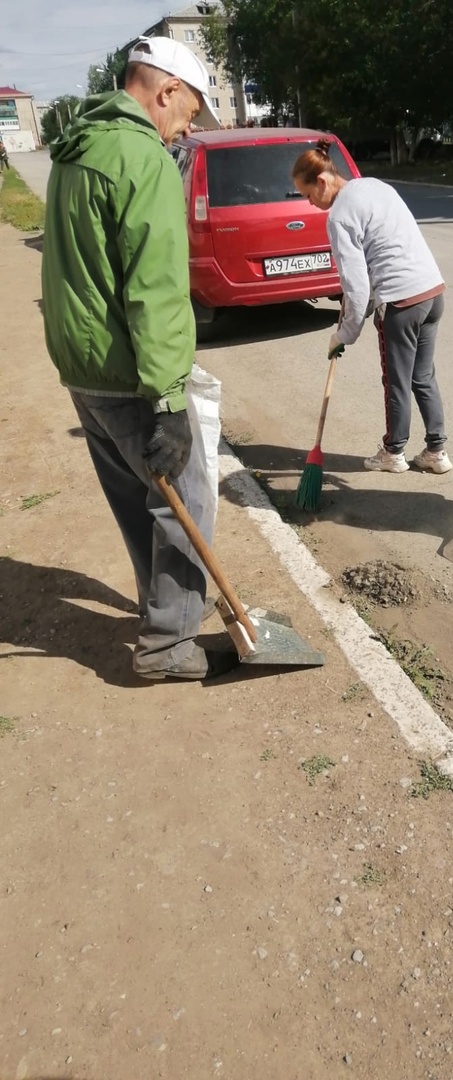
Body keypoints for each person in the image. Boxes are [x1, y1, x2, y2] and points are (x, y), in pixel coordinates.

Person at [40, 36, 236, 680]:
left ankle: (161, 610)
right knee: (187, 498)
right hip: (130, 373)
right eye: (190, 112)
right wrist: (170, 399)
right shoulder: (141, 157)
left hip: (84, 368)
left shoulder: (77, 147)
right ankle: (169, 646)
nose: (189, 128)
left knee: (135, 496)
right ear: (166, 90)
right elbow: (155, 288)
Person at [291, 139, 452, 474]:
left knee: (396, 381)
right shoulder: (374, 186)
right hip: (432, 292)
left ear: (321, 181)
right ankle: (436, 452)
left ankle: (393, 452)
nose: (310, 203)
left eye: (307, 195)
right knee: (422, 376)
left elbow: (356, 285)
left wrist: (343, 335)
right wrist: (357, 311)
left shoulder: (339, 216)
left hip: (401, 302)